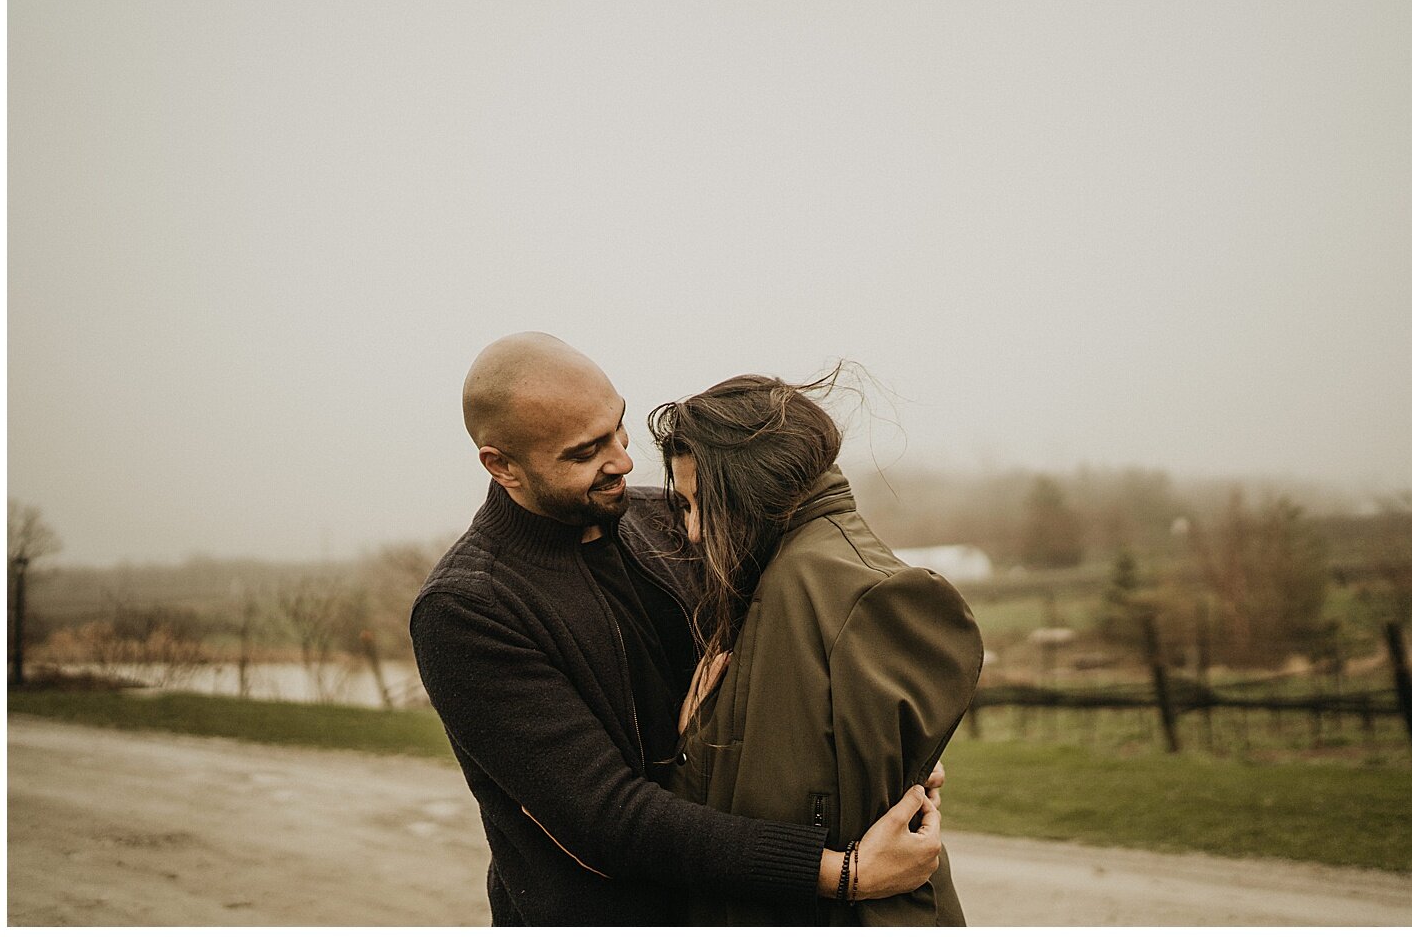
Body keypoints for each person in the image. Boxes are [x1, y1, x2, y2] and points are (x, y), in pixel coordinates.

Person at [409, 333, 944, 926]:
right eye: (585, 453)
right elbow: (607, 818)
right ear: (501, 465)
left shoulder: (667, 518)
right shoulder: (467, 608)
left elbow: (790, 673)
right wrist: (842, 875)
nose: (622, 460)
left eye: (617, 428)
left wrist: (881, 755)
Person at [651, 372, 985, 925]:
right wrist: (694, 736)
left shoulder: (862, 594)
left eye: (697, 503)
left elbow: (846, 821)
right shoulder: (776, 578)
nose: (689, 531)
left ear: (747, 490)